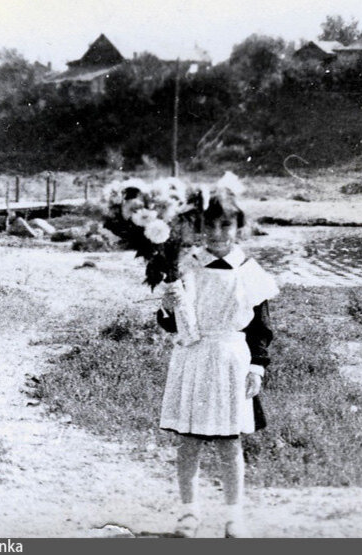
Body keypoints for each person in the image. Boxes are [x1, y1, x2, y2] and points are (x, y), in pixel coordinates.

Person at [155, 187, 277, 538]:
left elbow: (261, 325)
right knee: (189, 441)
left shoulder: (248, 270)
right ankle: (188, 513)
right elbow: (171, 322)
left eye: (226, 224)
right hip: (194, 357)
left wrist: (258, 364)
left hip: (230, 359)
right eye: (210, 224)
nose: (217, 233)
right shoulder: (187, 266)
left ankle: (233, 516)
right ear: (200, 226)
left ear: (238, 226)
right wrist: (168, 304)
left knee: (229, 442)